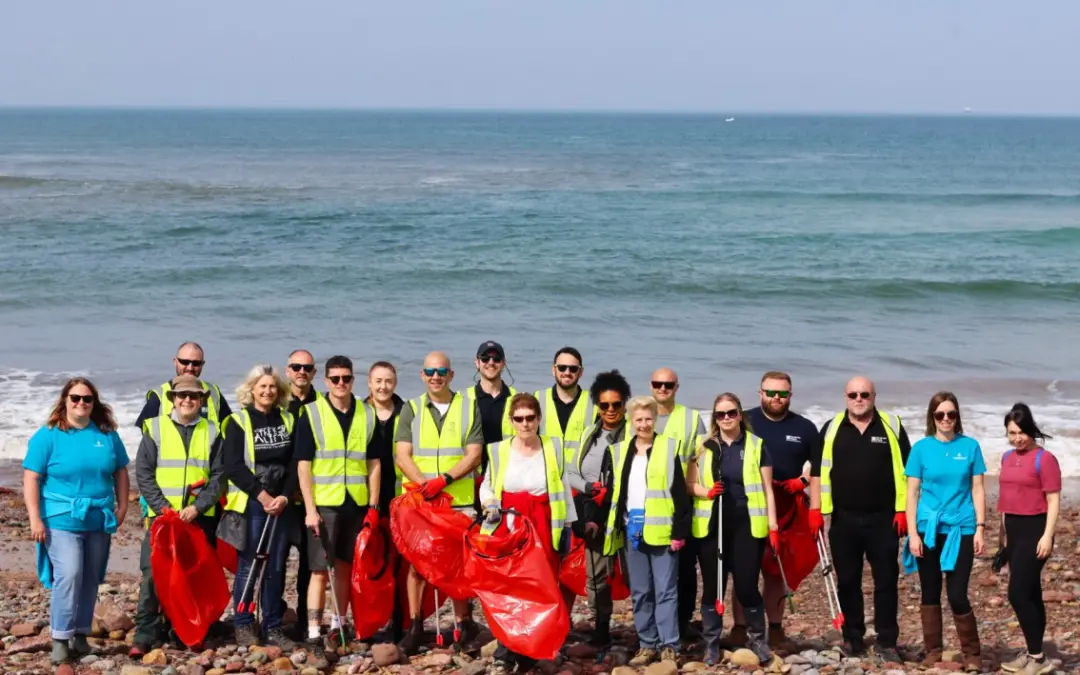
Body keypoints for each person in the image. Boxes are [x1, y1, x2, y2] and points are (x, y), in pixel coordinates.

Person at [23, 378, 130, 665]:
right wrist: (35, 518)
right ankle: (60, 638)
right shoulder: (48, 436)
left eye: (87, 399)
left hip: (99, 518)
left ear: (94, 403)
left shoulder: (106, 434)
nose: (81, 403)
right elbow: (31, 477)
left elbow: (121, 471)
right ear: (65, 401)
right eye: (75, 398)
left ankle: (80, 637)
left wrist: (122, 507)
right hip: (60, 518)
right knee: (69, 574)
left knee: (90, 578)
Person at [809, 376, 911, 662]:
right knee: (848, 581)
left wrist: (904, 510)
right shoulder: (831, 429)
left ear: (874, 396)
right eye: (853, 394)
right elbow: (817, 472)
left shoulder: (892, 425)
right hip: (843, 520)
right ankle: (852, 637)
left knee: (886, 581)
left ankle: (887, 641)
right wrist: (815, 510)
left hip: (885, 520)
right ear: (845, 397)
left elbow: (909, 470)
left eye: (864, 394)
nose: (858, 399)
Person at [394, 351, 484, 654]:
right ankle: (416, 625)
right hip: (421, 501)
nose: (436, 377)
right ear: (422, 375)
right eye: (430, 372)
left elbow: (474, 454)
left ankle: (464, 624)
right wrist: (423, 485)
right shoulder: (411, 409)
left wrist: (443, 480)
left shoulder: (468, 407)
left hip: (458, 501)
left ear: (451, 375)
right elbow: (402, 454)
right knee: (417, 565)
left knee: (457, 565)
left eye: (442, 371)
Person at [480, 393, 576, 675]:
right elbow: (487, 485)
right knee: (509, 587)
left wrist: (568, 527)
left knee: (539, 585)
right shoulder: (498, 450)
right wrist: (489, 504)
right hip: (509, 525)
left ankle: (531, 648)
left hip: (544, 523)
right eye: (519, 419)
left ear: (538, 419)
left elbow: (563, 487)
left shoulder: (552, 447)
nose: (525, 424)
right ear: (511, 421)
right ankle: (505, 649)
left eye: (530, 418)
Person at [133, 374, 226, 655]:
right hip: (162, 518)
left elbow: (220, 476)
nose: (187, 400)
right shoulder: (156, 429)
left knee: (193, 574)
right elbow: (144, 474)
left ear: (202, 401)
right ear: (173, 398)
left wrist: (198, 508)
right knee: (152, 575)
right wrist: (163, 507)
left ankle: (184, 631)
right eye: (182, 395)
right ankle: (145, 633)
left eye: (193, 396)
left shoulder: (213, 431)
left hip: (197, 519)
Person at [686, 393, 780, 665]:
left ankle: (758, 641)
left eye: (731, 413)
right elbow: (689, 485)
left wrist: (773, 525)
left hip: (747, 524)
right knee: (713, 587)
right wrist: (707, 491)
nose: (726, 418)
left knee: (747, 586)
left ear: (740, 414)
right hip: (712, 525)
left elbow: (767, 490)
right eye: (720, 414)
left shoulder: (756, 445)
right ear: (714, 418)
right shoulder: (702, 447)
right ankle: (712, 644)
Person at [599, 396, 692, 667]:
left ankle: (669, 645)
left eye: (648, 418)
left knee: (666, 591)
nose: (644, 424)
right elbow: (614, 495)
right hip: (632, 530)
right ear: (631, 421)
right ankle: (646, 643)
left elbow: (679, 495)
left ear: (656, 418)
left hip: (662, 531)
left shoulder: (668, 448)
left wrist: (679, 532)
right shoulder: (619, 451)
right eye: (638, 419)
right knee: (640, 591)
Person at [296, 356, 380, 650]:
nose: (341, 383)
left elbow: (374, 463)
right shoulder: (312, 413)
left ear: (353, 380)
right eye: (335, 379)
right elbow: (303, 466)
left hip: (355, 504)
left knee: (344, 568)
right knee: (320, 570)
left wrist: (373, 506)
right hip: (324, 505)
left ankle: (338, 624)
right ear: (326, 381)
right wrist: (309, 510)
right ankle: (313, 631)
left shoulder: (367, 414)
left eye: (346, 378)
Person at [731, 371, 820, 648]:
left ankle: (776, 627)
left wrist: (806, 490)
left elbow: (818, 469)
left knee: (774, 571)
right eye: (771, 392)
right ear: (760, 393)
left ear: (790, 396)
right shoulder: (744, 420)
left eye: (782, 393)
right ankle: (739, 627)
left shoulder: (805, 428)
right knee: (745, 570)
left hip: (786, 507)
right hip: (747, 504)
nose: (776, 398)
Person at [904, 392, 986, 671]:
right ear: (932, 417)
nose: (946, 419)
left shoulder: (971, 446)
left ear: (957, 416)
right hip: (928, 529)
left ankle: (972, 654)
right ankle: (933, 651)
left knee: (957, 594)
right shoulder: (921, 448)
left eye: (951, 414)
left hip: (961, 527)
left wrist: (980, 528)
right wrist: (913, 533)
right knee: (929, 591)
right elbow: (912, 492)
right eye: (940, 415)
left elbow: (977, 489)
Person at [219, 365, 297, 649]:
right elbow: (234, 467)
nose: (267, 391)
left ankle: (273, 626)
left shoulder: (288, 419)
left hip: (281, 503)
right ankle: (242, 622)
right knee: (249, 565)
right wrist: (263, 497)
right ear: (251, 389)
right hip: (253, 502)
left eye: (272, 387)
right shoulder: (238, 422)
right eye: (262, 386)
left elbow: (294, 464)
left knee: (275, 566)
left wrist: (284, 497)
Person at [567, 370, 632, 647]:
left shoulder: (633, 433)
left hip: (627, 514)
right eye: (604, 405)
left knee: (634, 574)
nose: (610, 410)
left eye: (616, 404)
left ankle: (650, 632)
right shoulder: (588, 434)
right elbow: (570, 472)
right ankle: (601, 627)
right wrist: (588, 489)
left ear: (624, 404)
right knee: (596, 574)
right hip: (594, 511)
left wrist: (614, 492)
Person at [998, 403, 1061, 675]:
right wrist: (1002, 540)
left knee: (1018, 593)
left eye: (1021, 432)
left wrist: (1047, 535)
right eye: (1012, 433)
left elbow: (1054, 499)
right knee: (1031, 592)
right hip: (1013, 529)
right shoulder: (1006, 457)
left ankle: (1036, 657)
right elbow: (1005, 501)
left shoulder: (1044, 459)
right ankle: (1035, 655)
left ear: (1031, 429)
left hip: (1036, 530)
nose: (1017, 438)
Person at [649, 368, 706, 642]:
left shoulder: (691, 418)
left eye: (668, 384)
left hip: (684, 507)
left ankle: (682, 623)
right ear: (651, 386)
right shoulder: (637, 416)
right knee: (653, 571)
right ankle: (653, 628)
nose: (663, 389)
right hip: (649, 508)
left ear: (676, 386)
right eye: (658, 384)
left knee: (684, 569)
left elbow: (704, 461)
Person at [364, 360, 406, 642]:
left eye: (388, 381)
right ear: (369, 383)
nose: (383, 386)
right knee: (369, 558)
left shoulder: (407, 412)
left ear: (396, 383)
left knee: (398, 559)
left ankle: (399, 621)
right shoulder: (358, 412)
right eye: (378, 381)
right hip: (365, 495)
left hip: (400, 493)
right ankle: (367, 621)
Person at [283, 349, 318, 639]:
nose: (301, 372)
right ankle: (275, 615)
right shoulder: (277, 403)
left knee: (309, 565)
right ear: (288, 370)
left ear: (314, 373)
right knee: (275, 564)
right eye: (296, 367)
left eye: (307, 367)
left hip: (311, 499)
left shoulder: (323, 404)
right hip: (282, 498)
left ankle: (305, 622)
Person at [464, 341, 516, 504]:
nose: (491, 363)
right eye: (485, 358)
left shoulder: (517, 399)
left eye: (496, 359)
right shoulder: (462, 399)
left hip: (505, 478)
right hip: (469, 477)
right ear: (477, 363)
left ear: (503, 363)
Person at [135, 341, 232, 428]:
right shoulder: (159, 396)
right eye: (184, 362)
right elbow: (144, 435)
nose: (190, 368)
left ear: (202, 364)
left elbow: (229, 431)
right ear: (175, 362)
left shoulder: (214, 393)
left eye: (196, 363)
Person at [535, 347, 596, 453]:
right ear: (554, 370)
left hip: (579, 470)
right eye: (562, 368)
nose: (567, 372)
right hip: (546, 468)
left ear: (580, 372)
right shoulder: (538, 399)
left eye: (573, 369)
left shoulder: (594, 403)